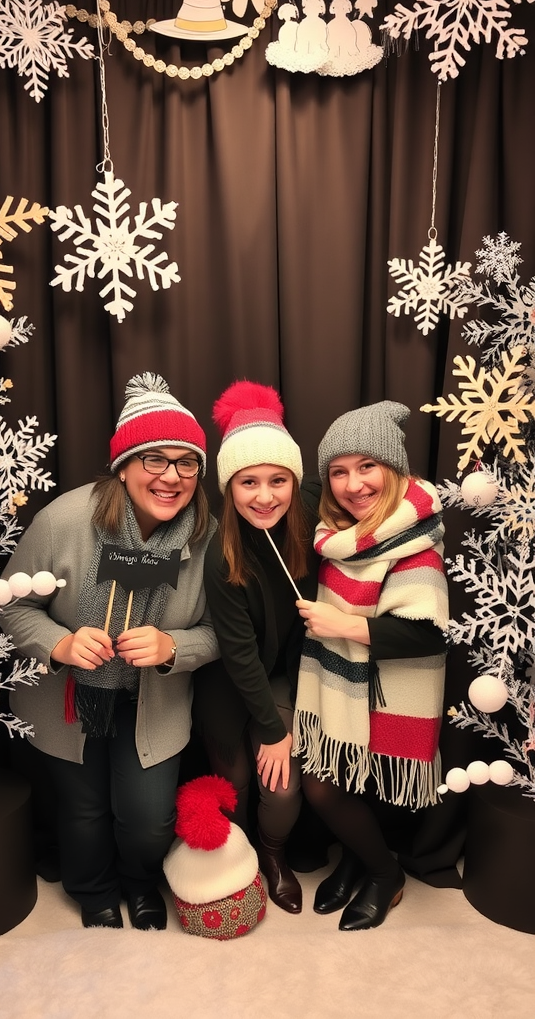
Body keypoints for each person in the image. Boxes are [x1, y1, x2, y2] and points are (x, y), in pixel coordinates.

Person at [0, 372, 219, 931]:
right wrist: (61, 642)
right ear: (123, 466)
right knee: (83, 809)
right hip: (71, 698)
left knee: (146, 818)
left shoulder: (209, 537)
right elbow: (10, 607)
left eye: (186, 462)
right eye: (154, 460)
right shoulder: (63, 520)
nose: (171, 476)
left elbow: (227, 632)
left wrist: (175, 646)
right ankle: (93, 890)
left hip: (154, 701)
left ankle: (141, 884)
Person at [294, 401, 449, 930]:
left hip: (388, 688)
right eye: (339, 471)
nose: (352, 484)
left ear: (394, 470)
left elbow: (425, 634)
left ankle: (386, 874)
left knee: (330, 787)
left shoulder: (413, 544)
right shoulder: (340, 539)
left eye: (367, 467)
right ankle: (360, 861)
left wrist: (342, 626)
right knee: (341, 782)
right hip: (348, 687)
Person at [193, 380, 320, 914]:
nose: (264, 495)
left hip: (284, 676)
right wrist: (270, 729)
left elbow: (371, 483)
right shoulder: (223, 559)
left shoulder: (312, 516)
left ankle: (273, 855)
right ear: (229, 487)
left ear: (294, 482)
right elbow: (239, 655)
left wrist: (283, 726)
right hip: (230, 680)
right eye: (248, 482)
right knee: (238, 782)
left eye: (277, 480)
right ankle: (236, 858)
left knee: (285, 788)